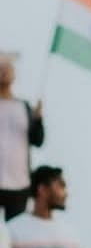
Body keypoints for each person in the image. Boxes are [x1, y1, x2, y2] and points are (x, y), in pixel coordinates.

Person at [7, 166, 80, 248]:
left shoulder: (70, 232)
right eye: (60, 186)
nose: (65, 193)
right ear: (42, 189)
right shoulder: (13, 229)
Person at [0, 53, 45, 221]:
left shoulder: (24, 107)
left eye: (7, 68)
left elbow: (37, 140)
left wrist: (38, 120)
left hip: (19, 183)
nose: (3, 72)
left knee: (16, 229)